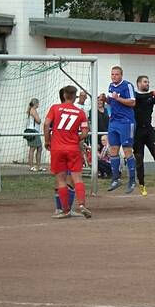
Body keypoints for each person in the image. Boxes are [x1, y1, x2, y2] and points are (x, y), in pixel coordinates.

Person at [43, 85, 92, 219]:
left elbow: (47, 124)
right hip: (73, 148)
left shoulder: (55, 108)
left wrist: (47, 140)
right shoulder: (80, 112)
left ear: (64, 95)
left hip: (57, 148)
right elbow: (86, 131)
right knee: (77, 177)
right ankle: (81, 204)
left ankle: (64, 210)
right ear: (75, 96)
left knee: (60, 179)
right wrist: (77, 138)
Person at [106, 66, 137, 193]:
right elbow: (110, 102)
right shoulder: (110, 86)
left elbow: (132, 102)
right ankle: (115, 178)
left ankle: (132, 180)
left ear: (121, 75)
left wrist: (118, 98)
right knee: (113, 149)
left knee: (127, 150)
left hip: (126, 122)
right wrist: (105, 100)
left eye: (116, 74)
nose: (114, 76)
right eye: (112, 74)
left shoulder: (127, 85)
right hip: (113, 121)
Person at [25, 98, 45, 171]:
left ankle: (38, 166)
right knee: (33, 148)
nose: (38, 105)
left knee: (39, 148)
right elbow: (38, 120)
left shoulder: (32, 110)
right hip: (33, 131)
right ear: (35, 104)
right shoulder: (33, 110)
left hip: (35, 131)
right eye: (38, 103)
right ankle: (31, 166)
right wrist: (39, 119)